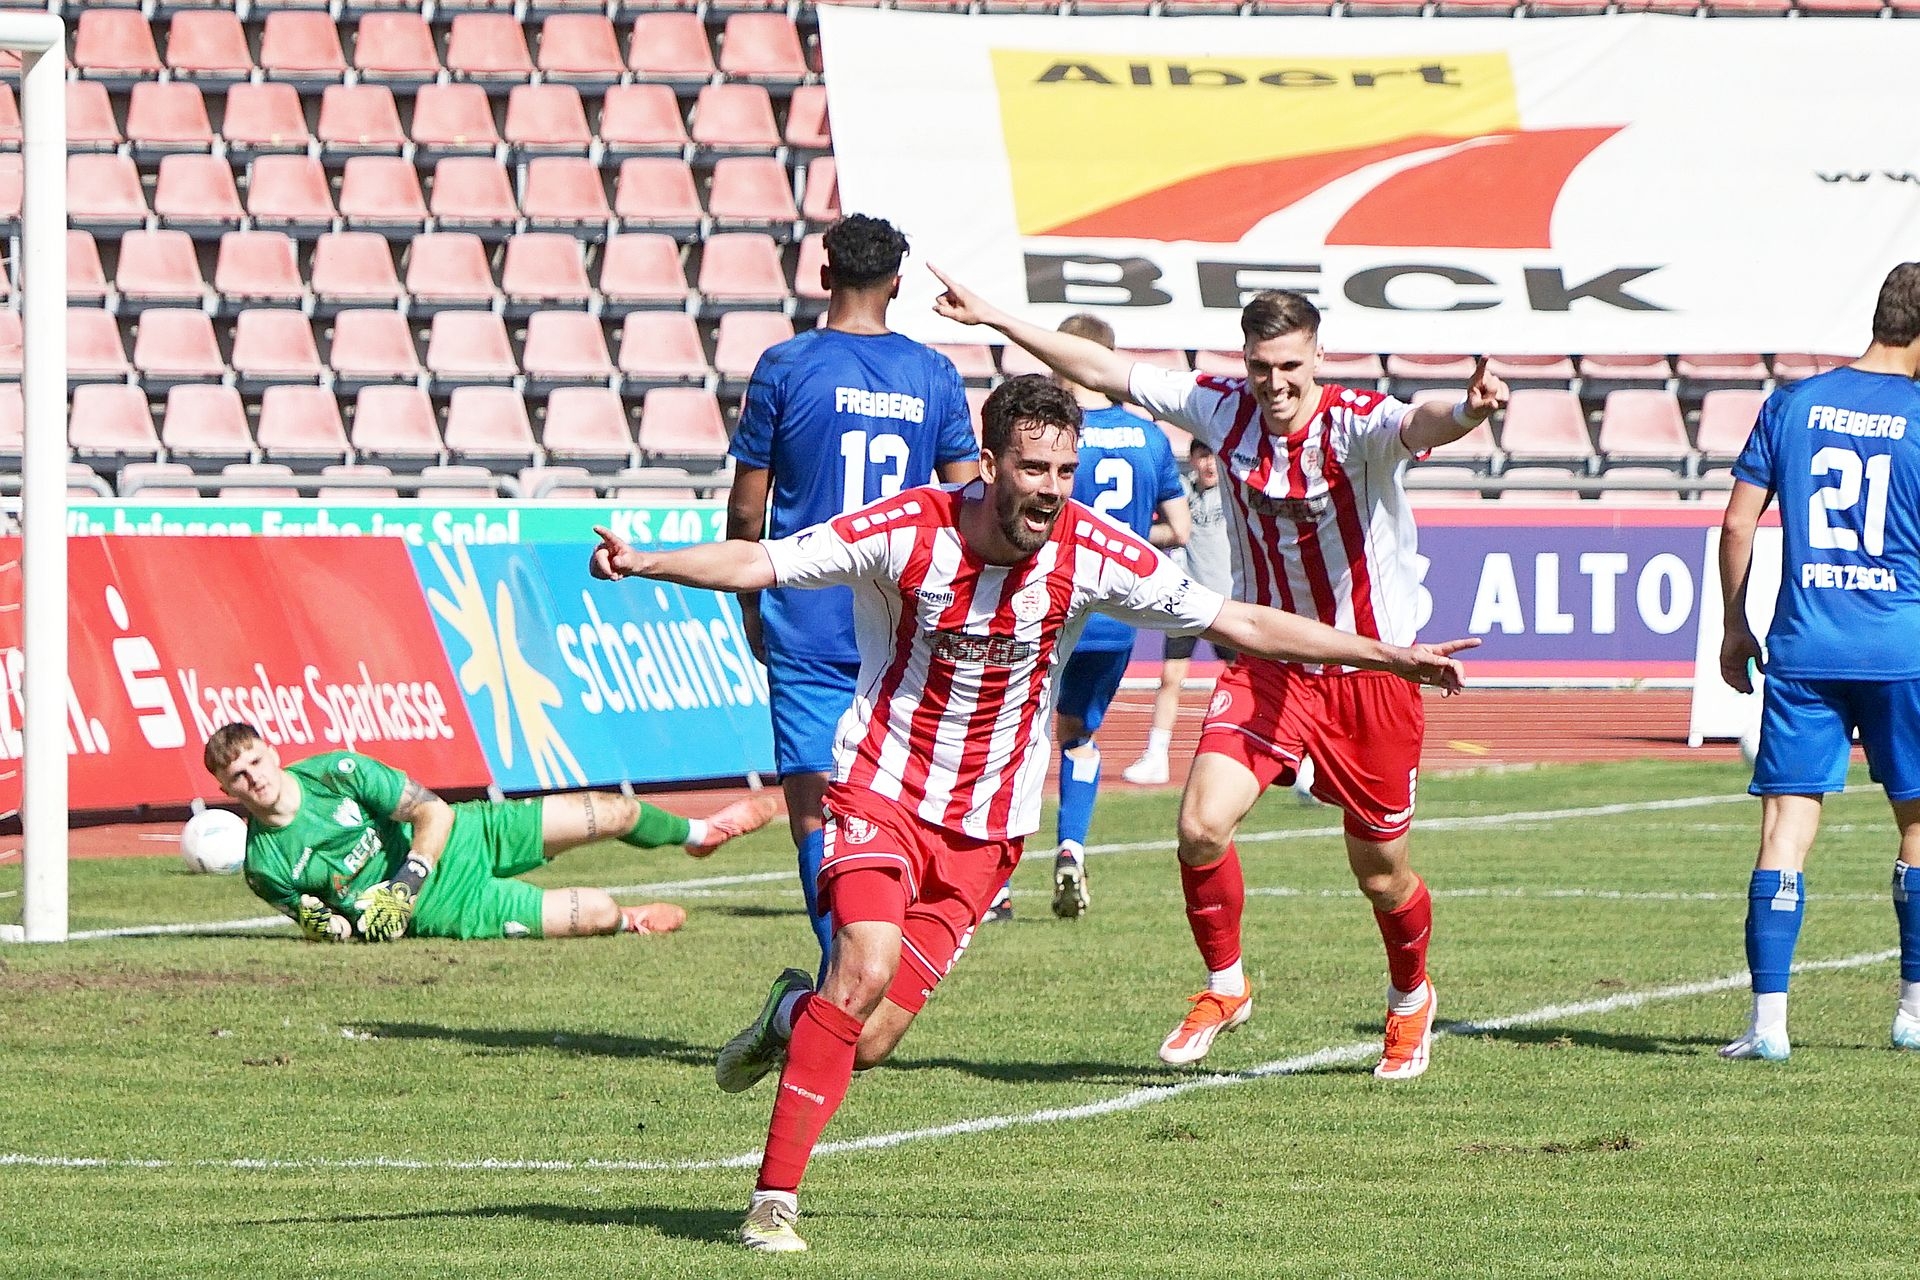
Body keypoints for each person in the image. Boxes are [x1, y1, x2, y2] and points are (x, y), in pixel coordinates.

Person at [588, 375, 1477, 1252]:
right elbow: (763, 560)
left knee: (870, 1039)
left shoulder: (1092, 549)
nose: (1051, 489)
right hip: (879, 790)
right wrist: (646, 563)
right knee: (863, 966)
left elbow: (1239, 621)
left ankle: (789, 1015)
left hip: (987, 832)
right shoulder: (910, 529)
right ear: (989, 465)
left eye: (1063, 471)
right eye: (1033, 468)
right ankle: (772, 1203)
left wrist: (1387, 656)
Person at [929, 267, 1508, 1080]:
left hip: (1372, 673)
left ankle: (1411, 997)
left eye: (1291, 367)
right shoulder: (1220, 407)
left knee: (1381, 875)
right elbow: (1100, 368)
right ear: (1245, 362)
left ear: (1317, 359)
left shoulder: (1355, 423)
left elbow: (1422, 422)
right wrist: (994, 316)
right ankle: (1226, 985)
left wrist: (1472, 412)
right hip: (1267, 663)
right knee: (1200, 826)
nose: (1276, 384)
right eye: (1262, 367)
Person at [725, 213, 981, 972]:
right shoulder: (934, 374)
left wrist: (750, 603)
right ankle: (866, 971)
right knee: (890, 798)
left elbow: (747, 510)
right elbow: (969, 503)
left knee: (813, 808)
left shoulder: (783, 366)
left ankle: (841, 973)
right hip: (904, 617)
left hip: (806, 615)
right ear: (897, 284)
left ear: (824, 274)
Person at [1716, 261, 1920, 1061]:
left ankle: (1768, 1024)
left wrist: (1735, 626)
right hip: (1902, 647)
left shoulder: (1793, 403)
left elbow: (1738, 524)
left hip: (1805, 646)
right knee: (1917, 823)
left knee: (1785, 828)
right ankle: (1913, 1013)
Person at [203, 722, 778, 943]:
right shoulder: (264, 867)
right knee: (597, 911)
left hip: (470, 834)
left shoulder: (336, 772)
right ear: (226, 790)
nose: (255, 778)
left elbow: (435, 812)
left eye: (256, 762)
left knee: (615, 813)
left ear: (272, 752)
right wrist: (334, 928)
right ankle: (630, 921)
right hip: (450, 907)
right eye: (238, 777)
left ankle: (700, 833)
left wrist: (405, 881)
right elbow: (326, 924)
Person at [981, 313, 1188, 924]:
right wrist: (1121, 543)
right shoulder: (1149, 437)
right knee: (1079, 736)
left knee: (1009, 734)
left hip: (1047, 602)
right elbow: (1179, 529)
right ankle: (1071, 847)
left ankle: (995, 885)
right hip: (1115, 615)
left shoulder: (1051, 439)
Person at [1124, 438, 1231, 787]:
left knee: (1248, 678)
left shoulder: (1231, 493)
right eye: (1202, 457)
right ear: (1193, 460)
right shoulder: (1183, 493)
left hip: (1228, 603)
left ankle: (1284, 754)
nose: (1209, 464)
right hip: (1188, 603)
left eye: (1213, 457)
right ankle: (1157, 756)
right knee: (1171, 677)